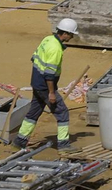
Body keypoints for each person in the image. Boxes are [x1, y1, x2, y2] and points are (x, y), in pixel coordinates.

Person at [14, 19, 77, 151]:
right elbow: (49, 74)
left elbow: (34, 58)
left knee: (34, 112)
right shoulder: (56, 49)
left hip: (36, 83)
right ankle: (64, 144)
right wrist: (51, 92)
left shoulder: (47, 39)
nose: (72, 37)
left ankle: (20, 140)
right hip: (45, 86)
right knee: (62, 112)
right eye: (71, 34)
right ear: (65, 33)